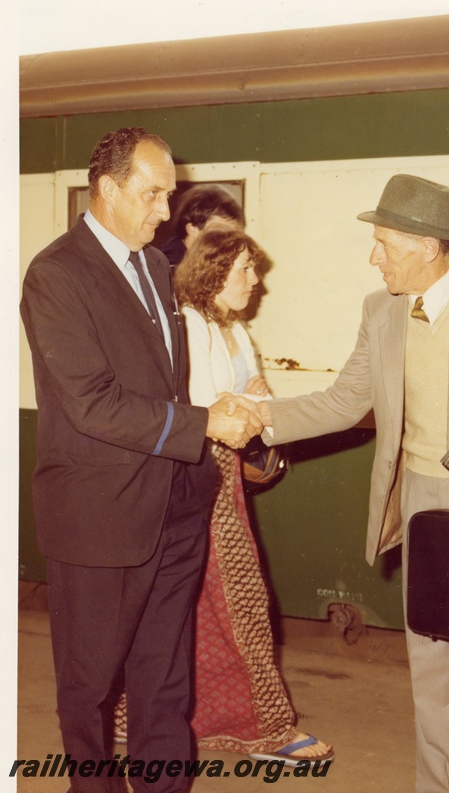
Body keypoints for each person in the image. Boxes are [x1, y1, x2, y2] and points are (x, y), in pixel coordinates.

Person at [256, 174, 449, 792]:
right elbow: (344, 401)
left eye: (384, 242)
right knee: (435, 673)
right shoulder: (379, 312)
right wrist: (259, 419)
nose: (374, 256)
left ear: (426, 245)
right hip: (422, 504)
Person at [20, 127, 262, 793]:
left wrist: (221, 428)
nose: (165, 212)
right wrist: (202, 422)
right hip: (100, 521)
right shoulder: (55, 275)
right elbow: (92, 403)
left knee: (164, 683)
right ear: (107, 189)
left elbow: (170, 384)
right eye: (152, 195)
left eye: (168, 196)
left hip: (176, 510)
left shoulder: (157, 269)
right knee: (90, 687)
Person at [172, 227, 334, 766]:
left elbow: (249, 398)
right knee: (231, 601)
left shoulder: (235, 329)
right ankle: (266, 728)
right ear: (214, 272)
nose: (255, 280)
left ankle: (218, 720)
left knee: (217, 601)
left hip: (228, 477)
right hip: (200, 477)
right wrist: (241, 401)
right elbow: (200, 405)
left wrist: (245, 399)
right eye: (245, 269)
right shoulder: (190, 326)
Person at [160, 184, 245, 267]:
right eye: (219, 233)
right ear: (192, 229)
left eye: (232, 234)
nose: (228, 241)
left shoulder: (208, 260)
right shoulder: (170, 270)